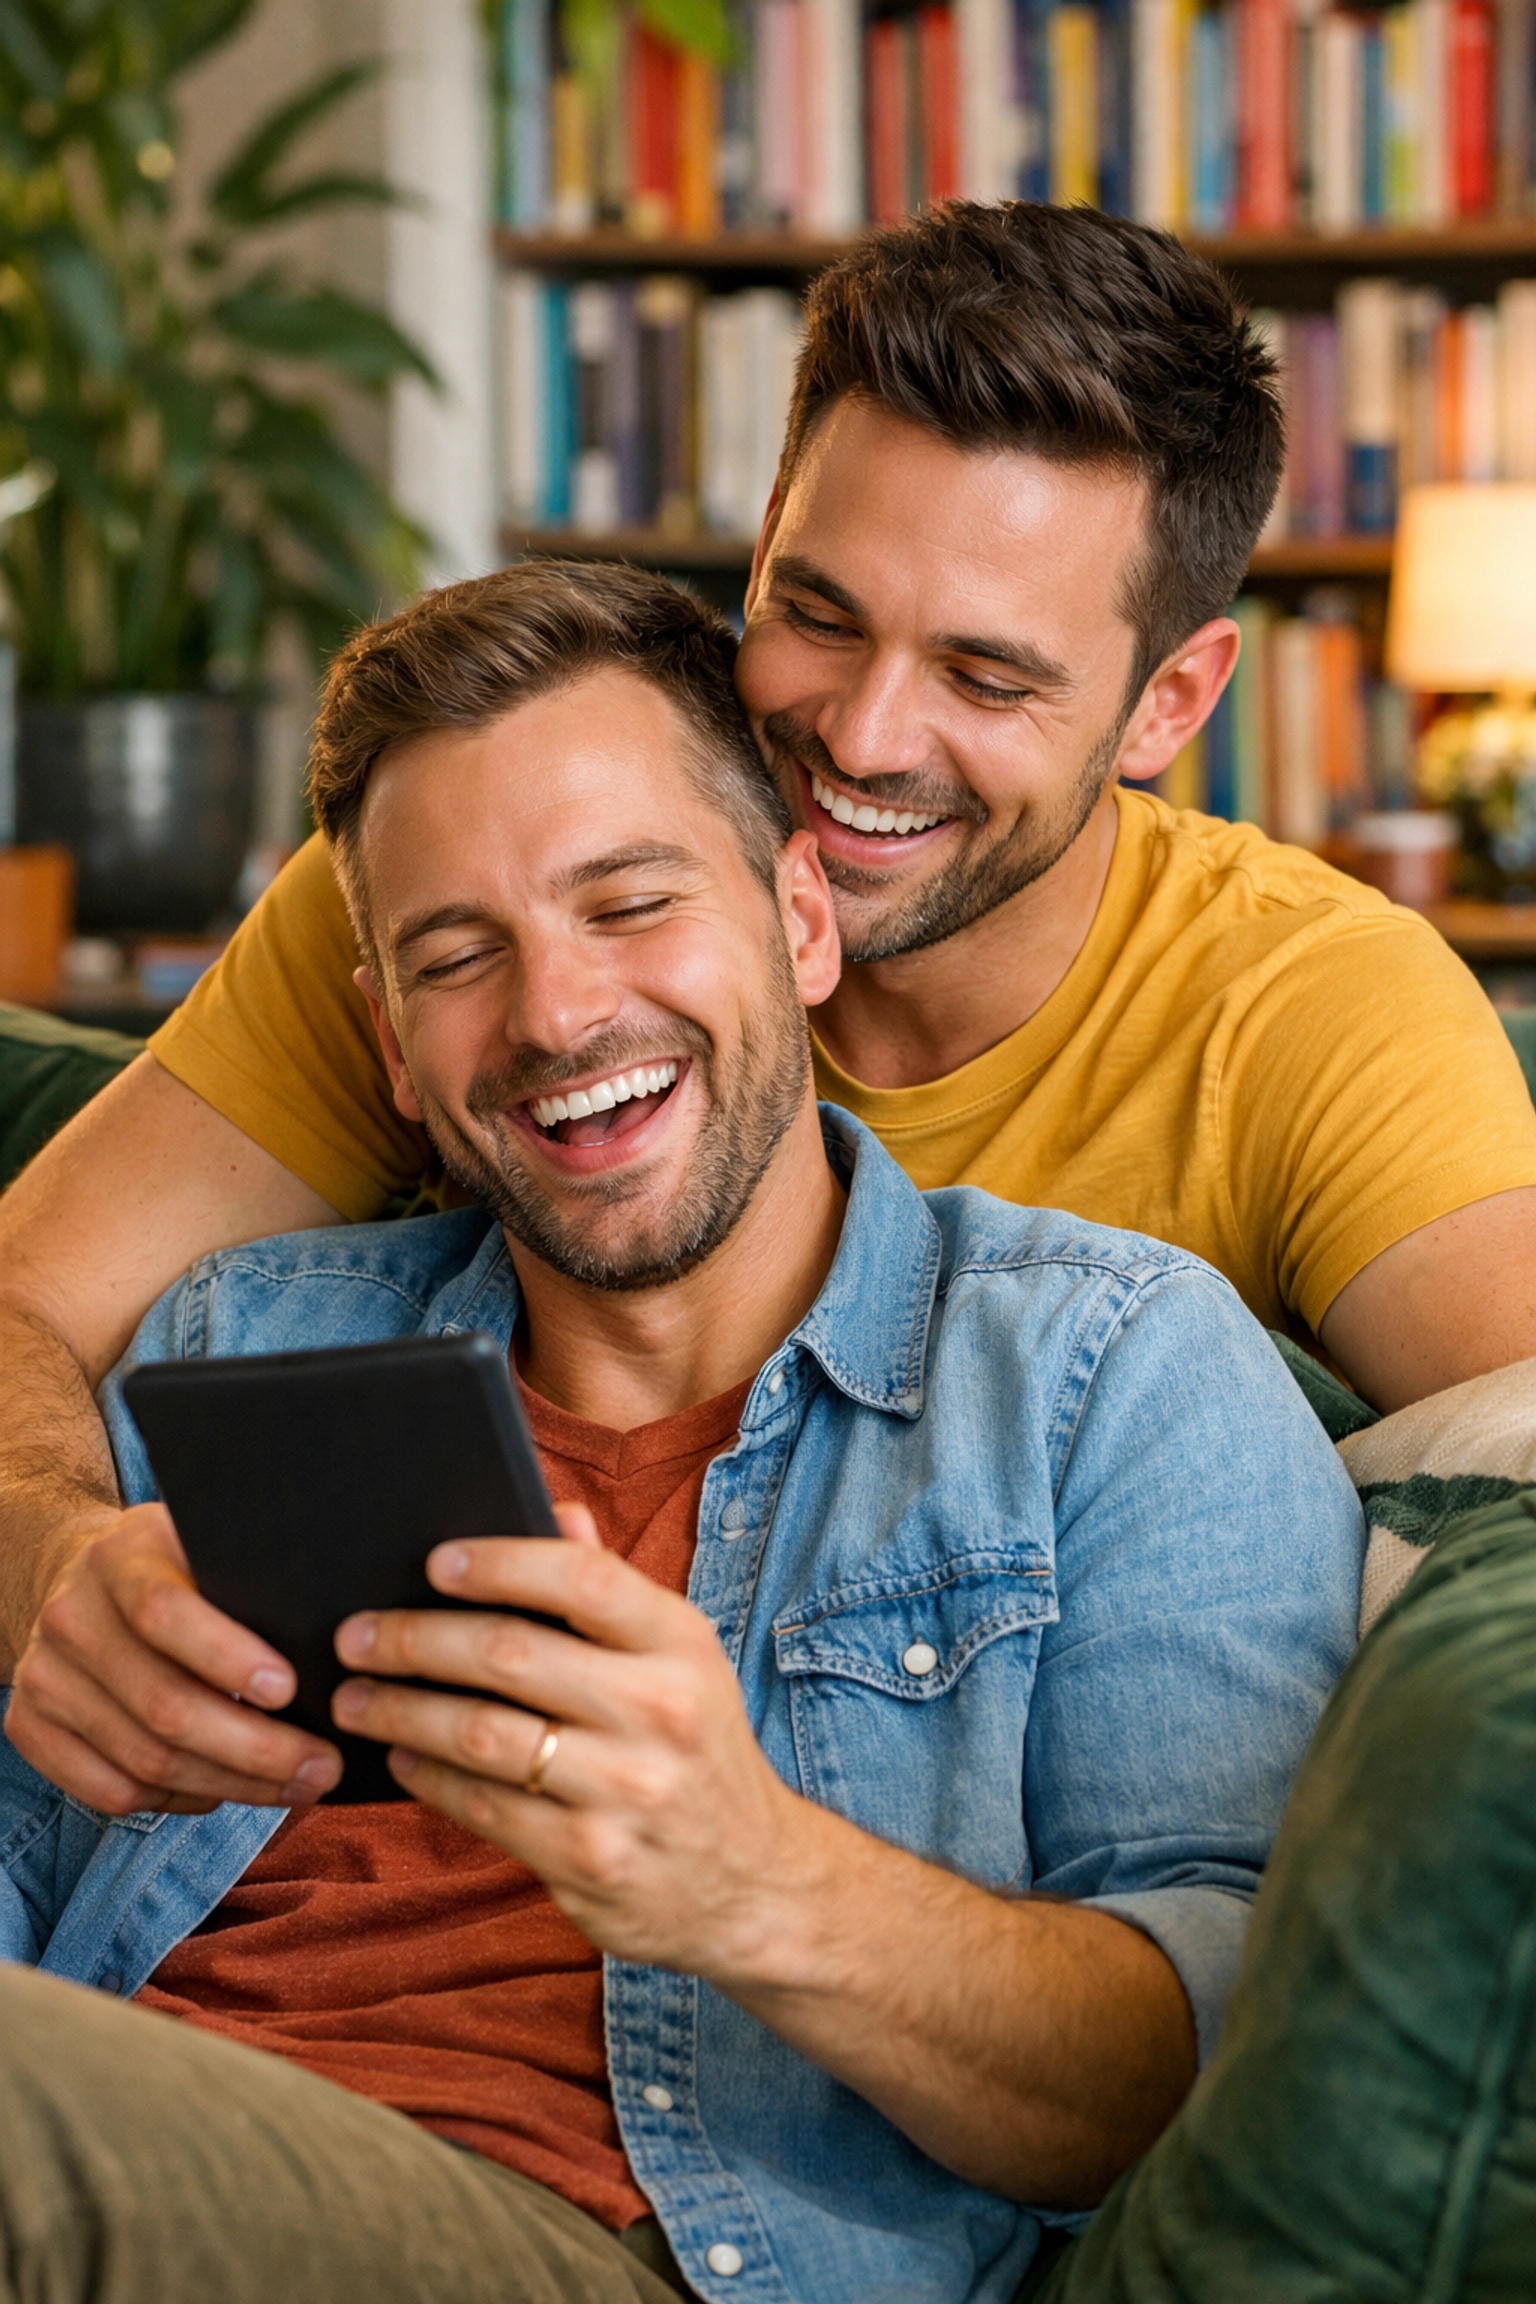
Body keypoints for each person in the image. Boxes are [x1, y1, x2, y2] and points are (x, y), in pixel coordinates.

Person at [0, 200, 1526, 1818]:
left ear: (1172, 701)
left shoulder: (1309, 1013)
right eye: (816, 613)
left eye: (987, 680)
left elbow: (1509, 1498)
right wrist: (54, 1559)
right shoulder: (486, 898)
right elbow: (25, 1305)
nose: (862, 737)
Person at [0, 561, 1360, 2304]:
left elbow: (1213, 2067)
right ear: (392, 1051)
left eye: (630, 904)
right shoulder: (238, 1342)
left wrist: (754, 1878)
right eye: (458, 955)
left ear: (803, 924)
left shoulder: (1108, 1373)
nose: (558, 1016)